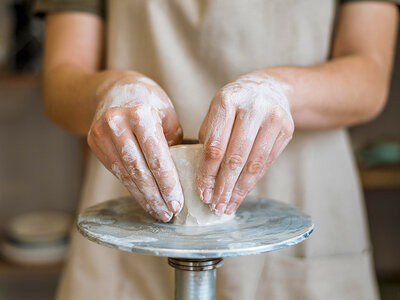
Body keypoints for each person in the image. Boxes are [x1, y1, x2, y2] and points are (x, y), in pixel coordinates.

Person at [35, 0, 399, 299]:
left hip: (300, 189)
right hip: (134, 207)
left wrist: (280, 91)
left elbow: (369, 73)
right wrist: (110, 90)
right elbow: (62, 77)